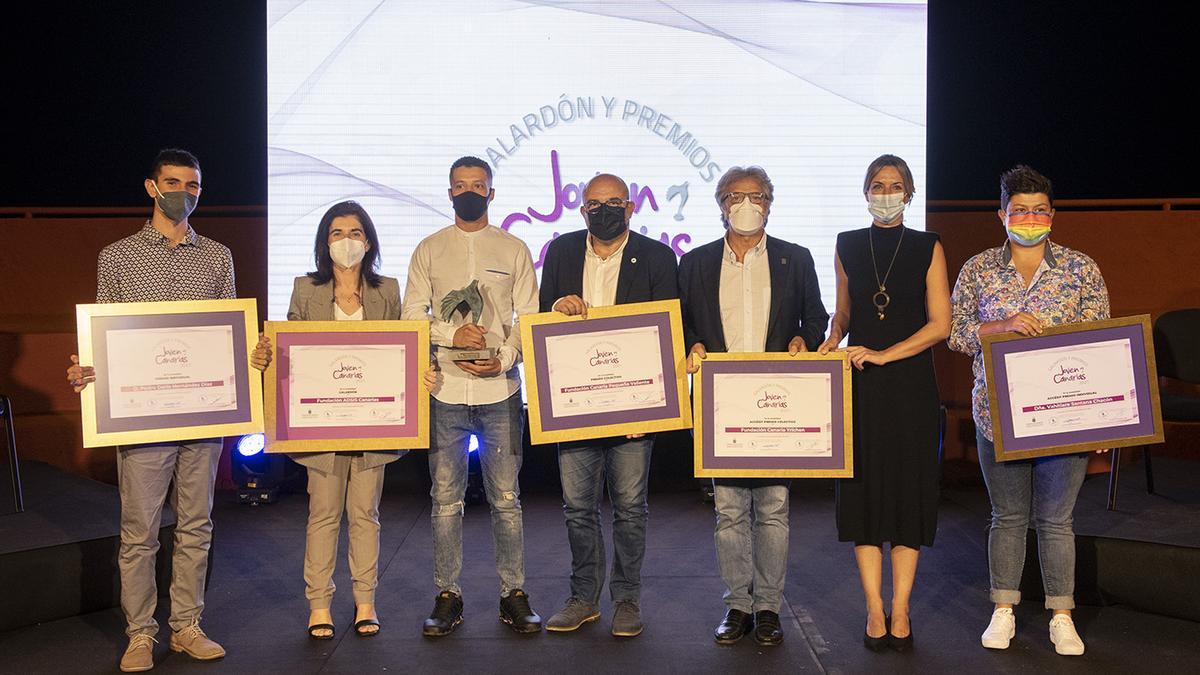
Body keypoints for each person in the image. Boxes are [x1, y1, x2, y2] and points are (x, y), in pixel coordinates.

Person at [66, 149, 258, 672]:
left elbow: (228, 335)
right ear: (152, 187)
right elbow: (105, 337)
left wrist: (252, 354)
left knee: (197, 525)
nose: (184, 193)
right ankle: (140, 634)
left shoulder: (218, 257)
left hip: (204, 413)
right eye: (174, 183)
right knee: (140, 531)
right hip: (144, 417)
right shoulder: (118, 256)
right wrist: (87, 369)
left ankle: (187, 627)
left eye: (194, 186)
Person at [948, 165, 1109, 656]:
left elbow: (1102, 344)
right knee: (1007, 516)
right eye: (1021, 210)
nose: (1031, 217)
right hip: (997, 416)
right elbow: (955, 334)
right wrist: (999, 326)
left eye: (1040, 210)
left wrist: (1105, 418)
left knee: (1057, 519)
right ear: (1002, 214)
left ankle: (1062, 615)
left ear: (1053, 215)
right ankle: (1004, 610)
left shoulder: (1081, 268)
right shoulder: (978, 269)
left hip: (1068, 416)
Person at [679, 166, 827, 646]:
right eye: (737, 195)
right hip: (721, 402)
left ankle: (768, 607)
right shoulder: (695, 262)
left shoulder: (795, 259)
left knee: (773, 507)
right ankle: (737, 606)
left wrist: (805, 338)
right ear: (721, 203)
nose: (747, 203)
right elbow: (682, 325)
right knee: (728, 510)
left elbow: (816, 318)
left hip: (775, 404)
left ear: (770, 202)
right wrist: (694, 346)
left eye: (757, 195)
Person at [401, 156, 542, 637]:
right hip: (443, 390)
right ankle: (448, 595)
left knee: (507, 498)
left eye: (477, 186)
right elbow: (410, 315)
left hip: (501, 390)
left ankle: (513, 595)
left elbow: (529, 318)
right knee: (445, 500)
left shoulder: (514, 249)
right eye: (460, 186)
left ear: (491, 194)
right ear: (449, 193)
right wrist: (450, 333)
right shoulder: (429, 249)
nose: (469, 193)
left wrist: (504, 358)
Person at [818, 154, 950, 652]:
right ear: (865, 191)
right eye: (878, 184)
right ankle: (874, 606)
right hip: (860, 383)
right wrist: (833, 337)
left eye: (895, 185)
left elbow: (941, 323)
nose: (886, 192)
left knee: (908, 491)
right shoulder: (847, 244)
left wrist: (885, 355)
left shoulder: (927, 246)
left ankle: (902, 606)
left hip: (911, 382)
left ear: (909, 195)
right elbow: (846, 311)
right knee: (864, 493)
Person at [539, 172, 679, 638]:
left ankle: (626, 598)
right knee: (578, 508)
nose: (604, 210)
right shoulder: (559, 252)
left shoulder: (657, 257)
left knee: (630, 508)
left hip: (635, 411)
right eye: (595, 204)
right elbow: (542, 322)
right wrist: (557, 307)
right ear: (582, 210)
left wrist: (653, 410)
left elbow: (667, 334)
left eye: (614, 202)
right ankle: (583, 597)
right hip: (575, 406)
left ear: (631, 207)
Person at [279, 201, 404, 640]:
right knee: (324, 515)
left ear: (367, 242)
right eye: (336, 233)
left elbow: (400, 351)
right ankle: (320, 604)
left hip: (373, 423)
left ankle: (365, 601)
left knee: (366, 515)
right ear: (324, 242)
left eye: (354, 232)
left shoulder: (387, 290)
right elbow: (290, 351)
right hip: (322, 426)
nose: (345, 240)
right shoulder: (306, 289)